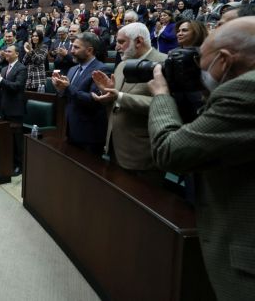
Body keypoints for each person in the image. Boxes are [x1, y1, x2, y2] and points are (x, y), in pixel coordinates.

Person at [147, 17, 255, 301]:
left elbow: (170, 151)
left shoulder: (246, 92)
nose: (198, 70)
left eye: (201, 62)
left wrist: (161, 95)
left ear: (224, 61)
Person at [91, 23, 167, 184]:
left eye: (120, 42)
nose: (116, 46)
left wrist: (119, 96)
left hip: (142, 153)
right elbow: (116, 99)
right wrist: (108, 95)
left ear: (138, 41)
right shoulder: (121, 65)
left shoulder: (163, 63)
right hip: (115, 146)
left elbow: (165, 105)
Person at [51, 32, 110, 155]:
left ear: (89, 50)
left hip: (90, 135)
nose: (71, 51)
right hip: (70, 130)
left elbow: (93, 101)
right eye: (72, 47)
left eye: (76, 47)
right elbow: (67, 95)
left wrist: (68, 87)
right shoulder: (73, 69)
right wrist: (60, 88)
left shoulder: (101, 70)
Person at [0, 45, 27, 176]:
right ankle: (9, 162)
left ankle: (19, 165)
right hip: (4, 108)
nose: (6, 53)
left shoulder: (21, 68)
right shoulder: (4, 68)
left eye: (9, 51)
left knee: (17, 140)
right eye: (6, 51)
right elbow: (1, 86)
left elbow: (17, 87)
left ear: (17, 54)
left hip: (15, 109)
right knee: (7, 138)